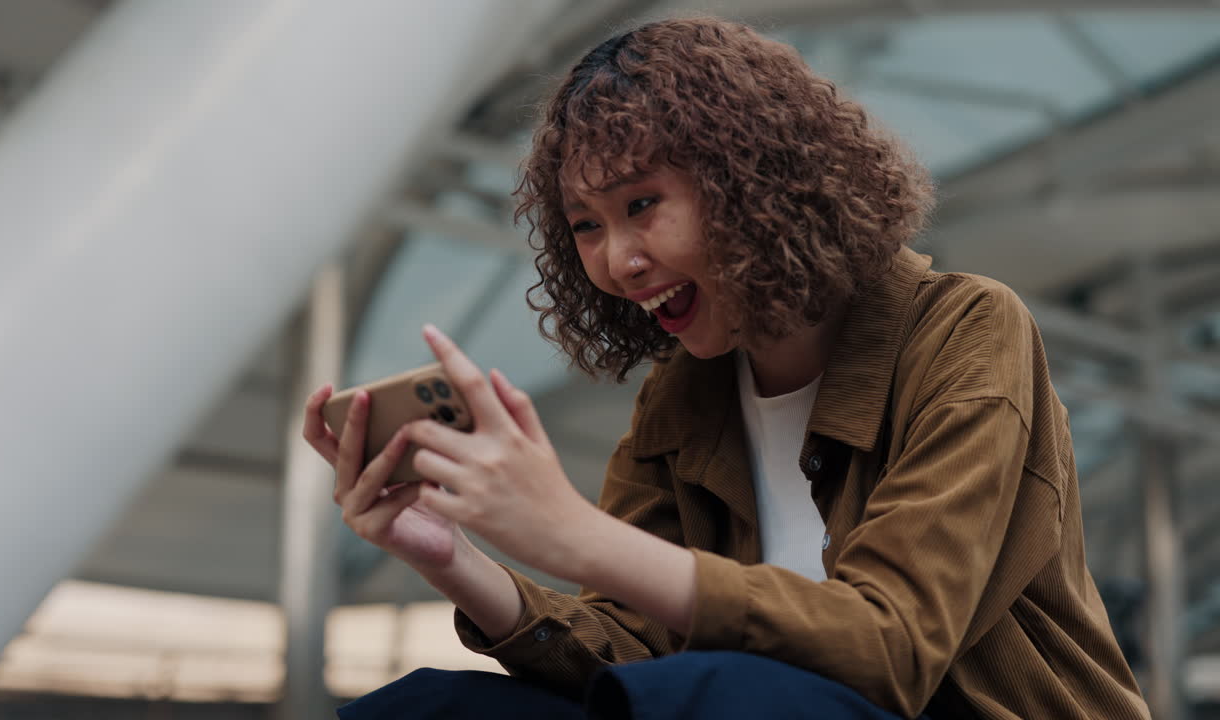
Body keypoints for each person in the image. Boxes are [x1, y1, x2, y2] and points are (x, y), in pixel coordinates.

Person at [302, 16, 1150, 720]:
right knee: (423, 711)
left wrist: (576, 535)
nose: (619, 261)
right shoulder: (684, 393)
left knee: (719, 691)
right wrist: (456, 561)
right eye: (586, 226)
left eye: (642, 205)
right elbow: (626, 651)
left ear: (756, 183)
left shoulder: (967, 328)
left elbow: (892, 648)